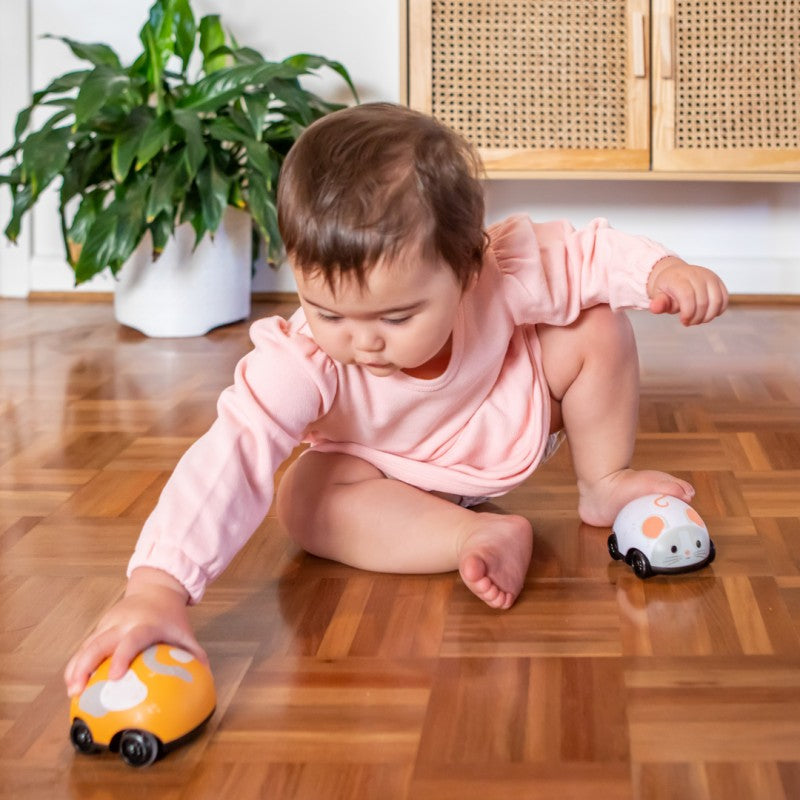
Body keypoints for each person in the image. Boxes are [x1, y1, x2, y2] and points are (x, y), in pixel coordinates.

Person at [64, 103, 728, 695]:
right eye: (326, 310)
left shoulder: (500, 269)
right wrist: (157, 586)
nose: (361, 343)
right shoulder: (305, 360)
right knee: (305, 498)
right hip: (381, 473)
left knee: (596, 322)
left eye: (395, 318)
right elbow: (230, 456)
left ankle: (603, 481)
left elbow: (588, 255)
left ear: (467, 266)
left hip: (502, 415)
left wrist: (659, 272)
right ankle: (474, 532)